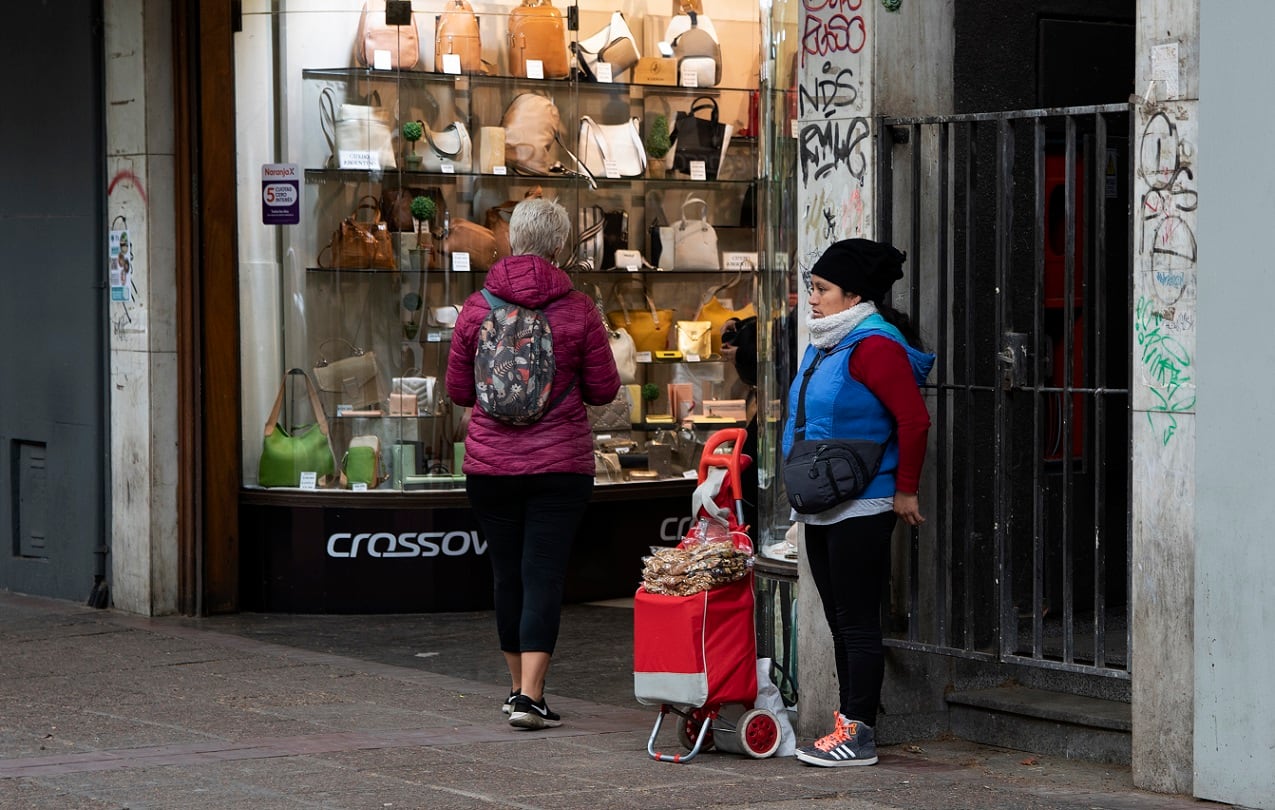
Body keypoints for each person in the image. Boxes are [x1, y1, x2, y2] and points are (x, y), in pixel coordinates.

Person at [446, 198, 621, 730]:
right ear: (562, 247)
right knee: (542, 575)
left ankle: (515, 688)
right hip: (560, 467)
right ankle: (531, 696)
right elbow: (604, 389)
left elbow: (458, 391)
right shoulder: (580, 309)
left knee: (507, 576)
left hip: (490, 467)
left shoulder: (477, 306)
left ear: (511, 241)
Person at [782, 238, 934, 767]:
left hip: (862, 504)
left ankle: (860, 733)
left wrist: (905, 489)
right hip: (824, 503)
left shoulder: (874, 346)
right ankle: (849, 724)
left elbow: (914, 420)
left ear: (854, 295)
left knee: (857, 621)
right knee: (840, 620)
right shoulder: (828, 343)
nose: (813, 299)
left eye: (822, 289)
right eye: (813, 287)